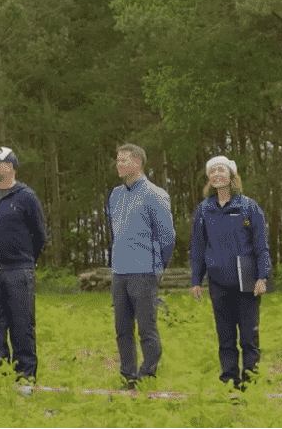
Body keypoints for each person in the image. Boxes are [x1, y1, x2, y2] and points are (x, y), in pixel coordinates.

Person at [189, 155, 271, 389]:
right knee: (225, 337)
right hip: (218, 283)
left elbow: (261, 246)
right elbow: (197, 247)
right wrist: (196, 280)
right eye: (212, 171)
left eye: (221, 171)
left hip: (247, 282)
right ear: (208, 178)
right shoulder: (204, 210)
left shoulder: (248, 206)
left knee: (248, 336)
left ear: (232, 176)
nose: (216, 175)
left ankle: (250, 378)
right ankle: (229, 378)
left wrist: (262, 277)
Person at [0, 146, 48, 391]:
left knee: (21, 324)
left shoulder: (26, 196)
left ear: (10, 166)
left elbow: (40, 235)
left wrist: (26, 261)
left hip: (18, 270)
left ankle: (25, 378)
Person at [108, 143, 176, 390]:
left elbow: (167, 236)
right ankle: (128, 376)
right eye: (117, 160)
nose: (119, 164)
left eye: (124, 160)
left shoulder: (155, 194)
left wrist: (158, 266)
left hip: (144, 270)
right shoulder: (115, 195)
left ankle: (147, 374)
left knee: (146, 328)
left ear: (138, 162)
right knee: (122, 328)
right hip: (119, 271)